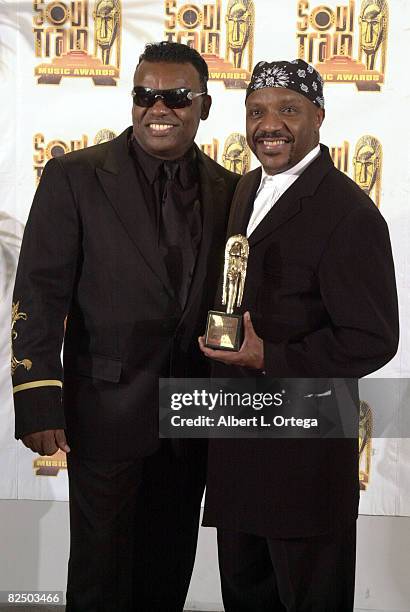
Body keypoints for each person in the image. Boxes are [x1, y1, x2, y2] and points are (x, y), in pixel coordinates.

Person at [11, 41, 239, 611]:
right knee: (99, 572)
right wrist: (38, 397)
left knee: (169, 568)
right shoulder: (74, 177)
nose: (157, 108)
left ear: (205, 107)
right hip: (103, 408)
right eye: (145, 95)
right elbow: (39, 294)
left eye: (176, 97)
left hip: (193, 416)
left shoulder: (232, 190)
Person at [199, 58, 399, 611]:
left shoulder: (348, 212)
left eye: (288, 109)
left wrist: (271, 356)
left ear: (318, 116)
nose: (271, 124)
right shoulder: (242, 192)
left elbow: (373, 338)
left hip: (304, 460)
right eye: (257, 111)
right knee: (245, 595)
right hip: (237, 447)